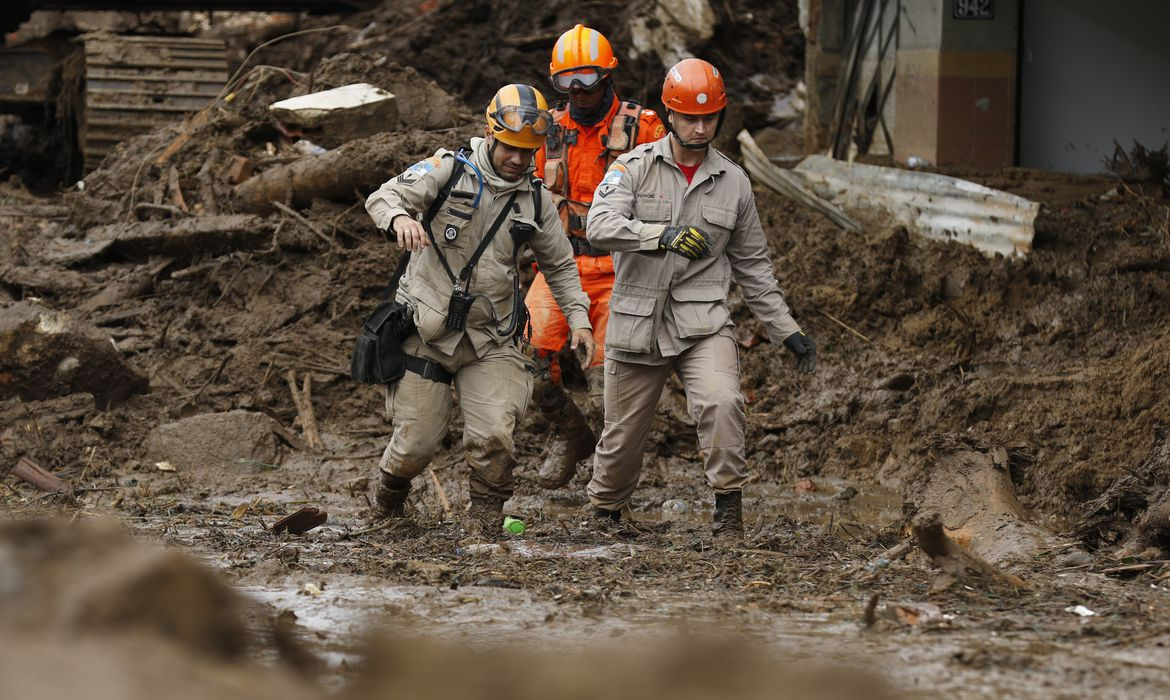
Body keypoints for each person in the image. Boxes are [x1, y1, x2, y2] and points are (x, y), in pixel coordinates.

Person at [583, 58, 818, 540]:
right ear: (669, 115)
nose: (699, 126)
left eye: (709, 117)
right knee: (622, 435)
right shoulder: (633, 168)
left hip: (702, 320)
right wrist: (659, 235)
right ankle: (606, 513)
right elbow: (598, 226)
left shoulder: (735, 183)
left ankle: (728, 512)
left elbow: (754, 266)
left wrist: (786, 330)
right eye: (689, 116)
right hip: (637, 319)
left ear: (720, 117)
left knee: (723, 401)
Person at [364, 83, 594, 539]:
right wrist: (400, 219)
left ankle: (485, 525)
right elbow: (383, 197)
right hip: (426, 334)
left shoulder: (535, 199)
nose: (518, 159)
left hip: (492, 336)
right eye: (510, 147)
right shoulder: (448, 170)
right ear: (491, 134)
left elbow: (561, 266)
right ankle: (387, 504)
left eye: (528, 151)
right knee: (415, 446)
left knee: (494, 438)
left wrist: (580, 320)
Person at [526, 24, 666, 489]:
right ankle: (570, 434)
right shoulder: (547, 131)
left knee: (615, 383)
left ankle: (612, 479)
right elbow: (521, 194)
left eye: (586, 78)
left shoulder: (644, 128)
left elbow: (670, 195)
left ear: (608, 76)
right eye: (567, 81)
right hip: (561, 265)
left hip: (623, 267)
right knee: (525, 356)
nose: (578, 91)